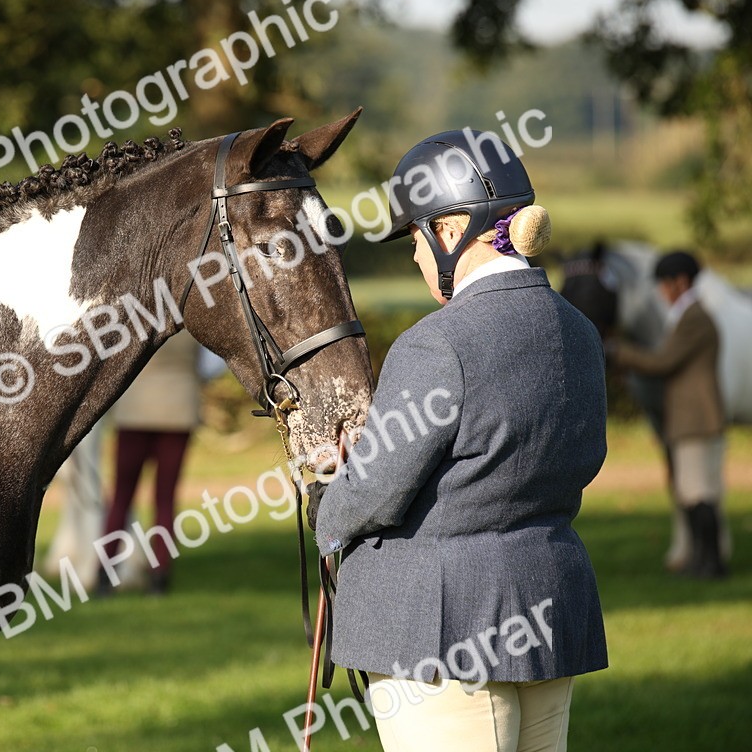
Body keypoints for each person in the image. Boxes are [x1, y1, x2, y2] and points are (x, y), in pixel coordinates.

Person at [311, 130, 608, 752]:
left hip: (441, 631)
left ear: (448, 232)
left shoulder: (436, 343)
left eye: (416, 240)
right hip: (546, 608)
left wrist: (325, 498)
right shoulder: (579, 332)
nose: (416, 259)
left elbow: (369, 495)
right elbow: (580, 456)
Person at [609, 251, 727, 579]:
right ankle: (700, 559)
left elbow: (664, 362)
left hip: (697, 420)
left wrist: (620, 352)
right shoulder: (686, 315)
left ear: (680, 282)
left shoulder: (695, 318)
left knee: (700, 494)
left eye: (664, 283)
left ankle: (712, 562)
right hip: (689, 420)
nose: (661, 291)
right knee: (692, 493)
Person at [96, 331, 223, 595]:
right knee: (165, 498)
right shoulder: (191, 320)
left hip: (134, 411)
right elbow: (214, 365)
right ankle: (159, 576)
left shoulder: (135, 316)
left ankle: (104, 574)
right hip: (178, 409)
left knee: (121, 495)